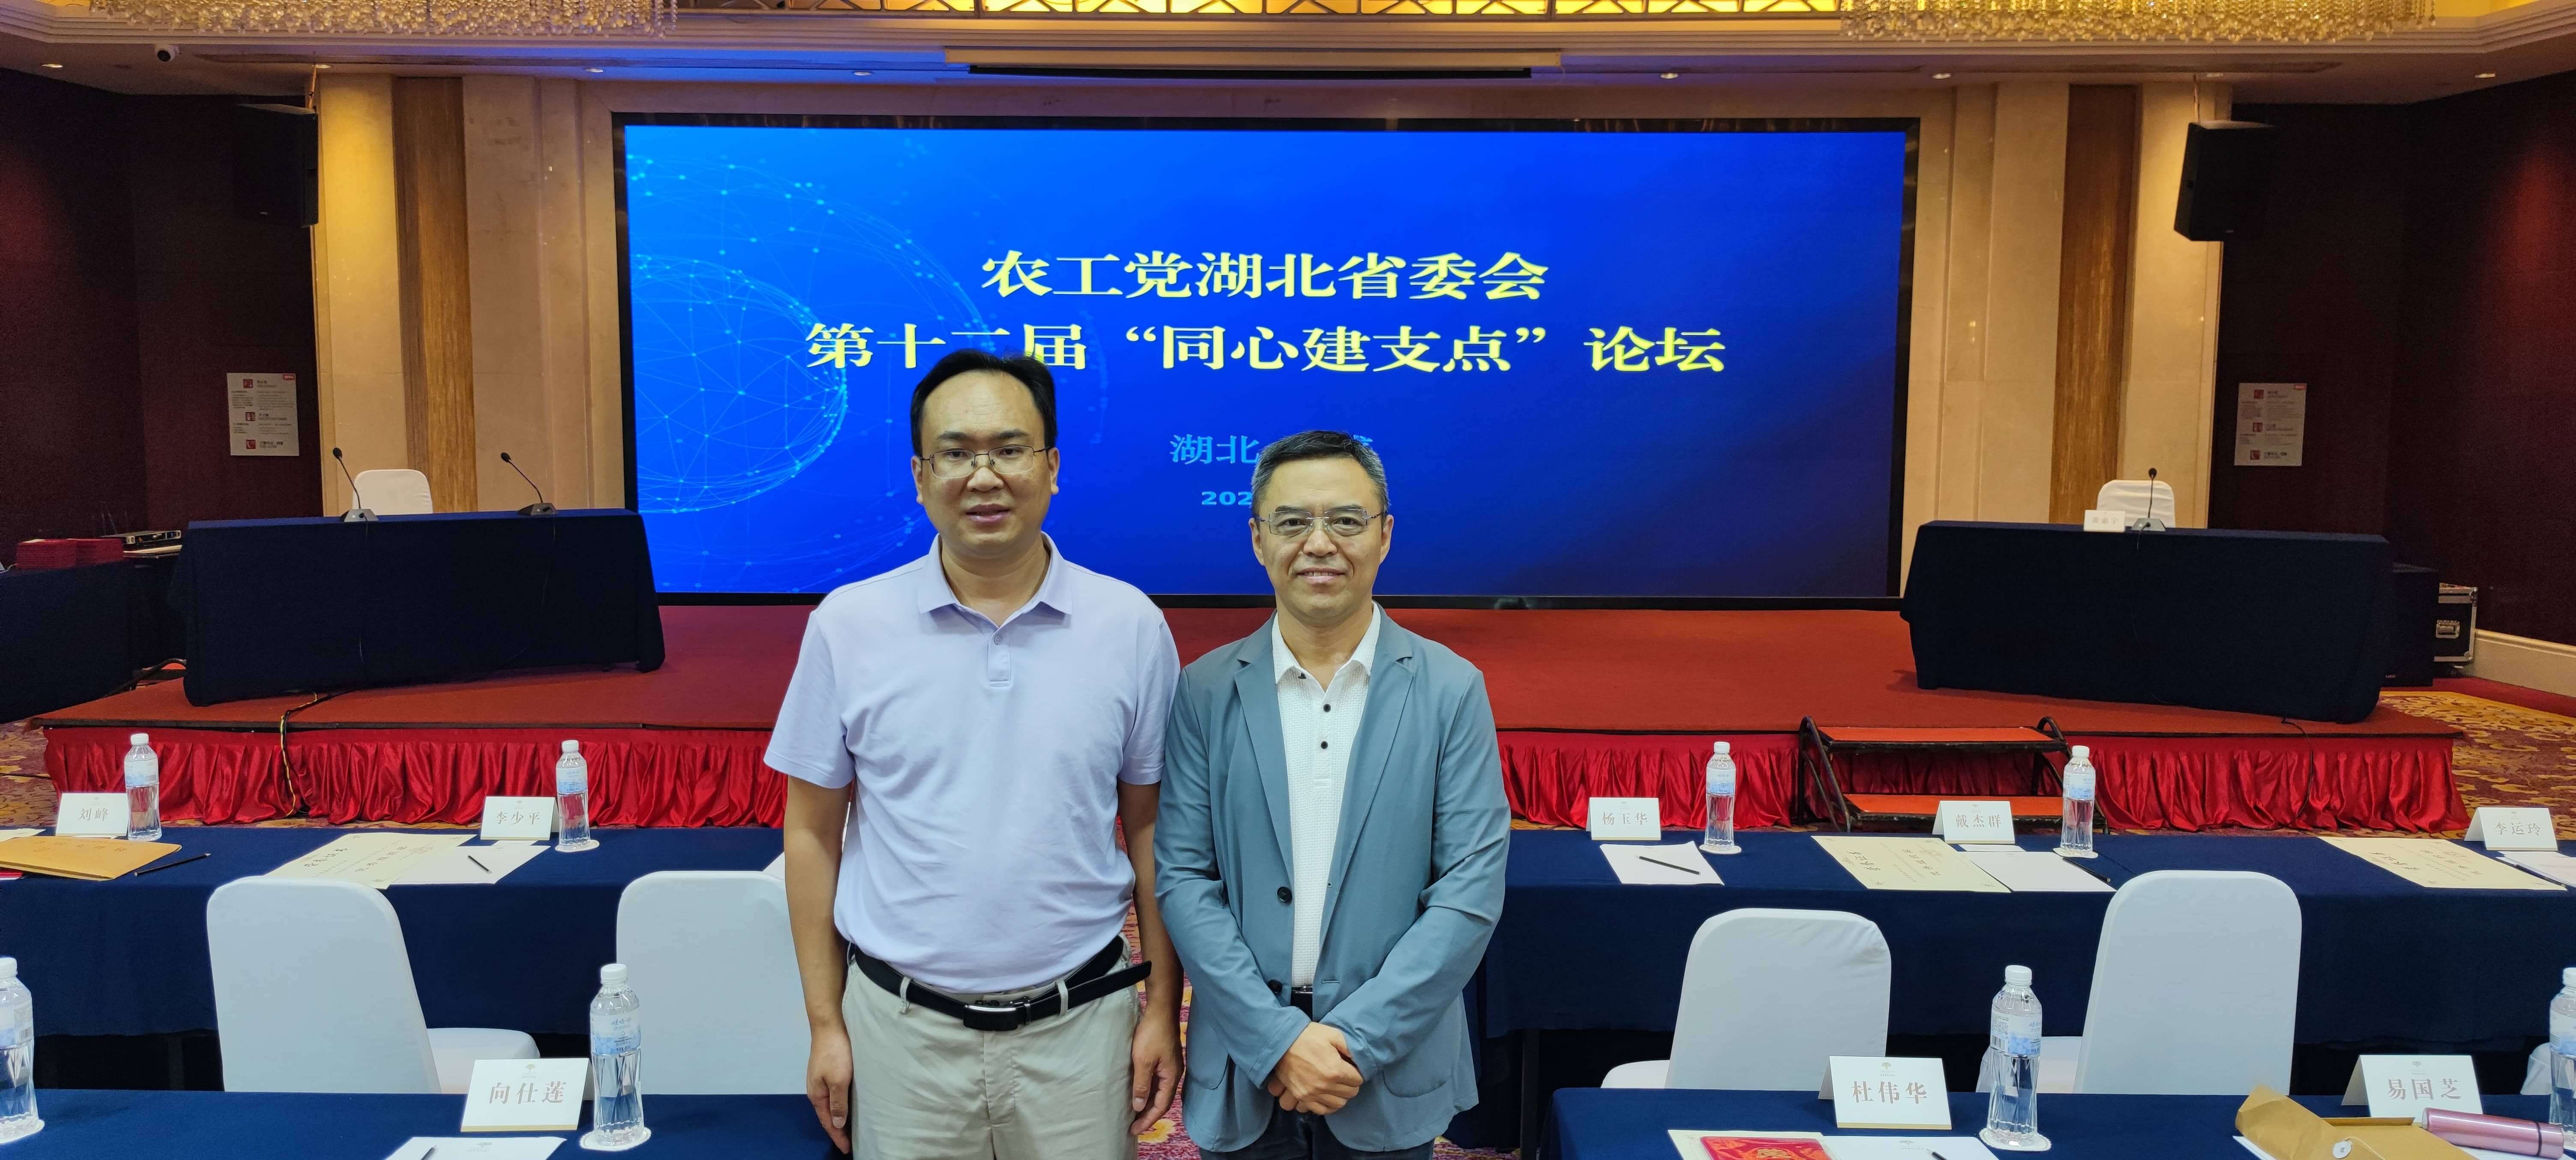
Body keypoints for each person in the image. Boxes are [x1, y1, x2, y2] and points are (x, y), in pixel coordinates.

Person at [768, 349, 1183, 1160]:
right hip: (902, 1036)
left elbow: (1153, 830)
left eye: (1010, 449)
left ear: (1052, 466)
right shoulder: (848, 625)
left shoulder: (1129, 625)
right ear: (921, 476)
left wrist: (1163, 1008)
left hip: (1081, 1032)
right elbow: (811, 833)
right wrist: (826, 1023)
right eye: (956, 453)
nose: (983, 476)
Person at [1155, 430, 1509, 1160]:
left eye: (1346, 521)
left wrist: (1356, 1041)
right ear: (1258, 539)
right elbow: (1185, 878)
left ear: (1385, 535)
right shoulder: (1205, 690)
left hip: (1387, 1065)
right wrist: (1276, 1040)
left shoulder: (1451, 689)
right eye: (1292, 522)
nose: (1319, 544)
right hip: (1245, 1061)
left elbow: (1469, 890)